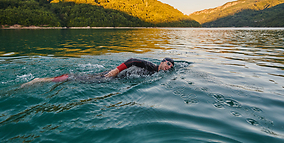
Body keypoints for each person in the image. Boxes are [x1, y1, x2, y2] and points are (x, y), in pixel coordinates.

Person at [21, 58, 174, 87]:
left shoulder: (156, 73)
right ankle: (40, 80)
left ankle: (45, 80)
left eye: (171, 66)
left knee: (82, 78)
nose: (169, 67)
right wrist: (115, 71)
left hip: (116, 79)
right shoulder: (151, 66)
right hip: (112, 76)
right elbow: (132, 60)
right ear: (161, 61)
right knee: (77, 79)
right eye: (167, 63)